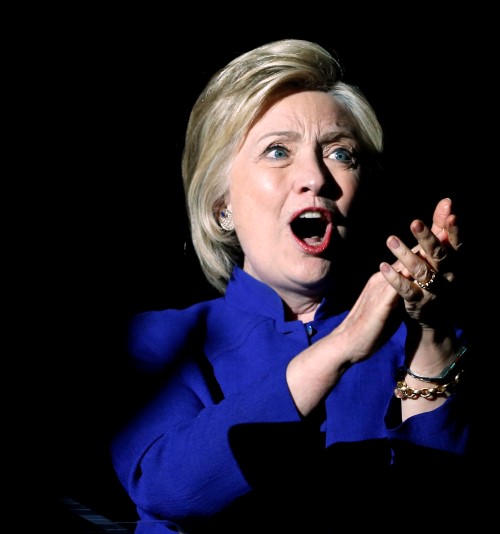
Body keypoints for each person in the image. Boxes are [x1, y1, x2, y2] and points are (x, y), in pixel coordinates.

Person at [109, 38, 472, 533]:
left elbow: (444, 506)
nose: (315, 177)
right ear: (223, 207)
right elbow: (168, 488)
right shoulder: (158, 340)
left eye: (341, 153)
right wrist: (339, 348)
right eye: (278, 151)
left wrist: (434, 336)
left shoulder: (414, 341)